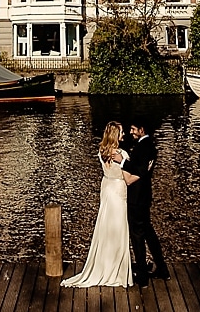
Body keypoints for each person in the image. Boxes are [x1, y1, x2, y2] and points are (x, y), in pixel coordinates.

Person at [61, 121, 133, 288]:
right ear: (115, 135)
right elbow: (127, 177)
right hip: (117, 190)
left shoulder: (102, 152)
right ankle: (116, 271)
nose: (124, 135)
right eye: (121, 132)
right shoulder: (122, 154)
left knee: (106, 226)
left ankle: (105, 264)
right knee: (118, 228)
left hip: (106, 188)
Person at [122, 119, 168, 286]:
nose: (131, 132)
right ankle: (162, 268)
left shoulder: (143, 146)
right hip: (144, 196)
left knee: (137, 236)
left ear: (142, 129)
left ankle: (142, 276)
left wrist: (122, 161)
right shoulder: (150, 144)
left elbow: (141, 170)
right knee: (148, 232)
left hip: (137, 198)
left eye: (133, 129)